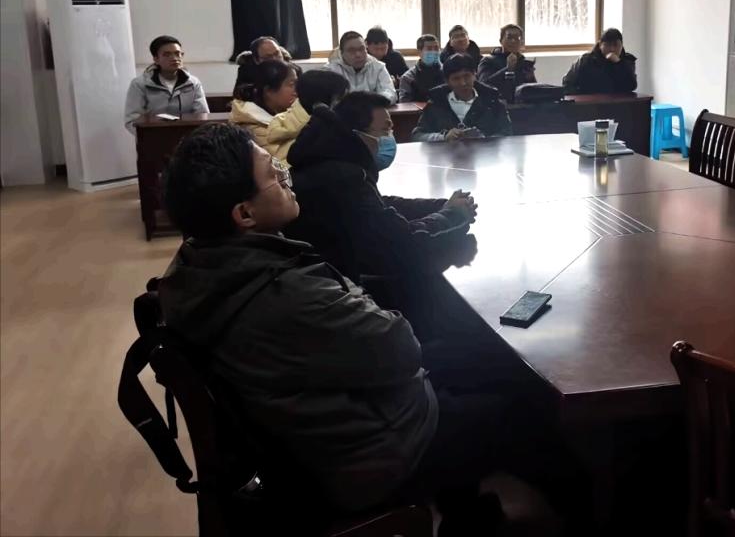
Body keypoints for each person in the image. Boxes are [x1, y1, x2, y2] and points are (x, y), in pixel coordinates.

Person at [158, 124, 592, 535]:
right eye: (272, 174)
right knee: (520, 408)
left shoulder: (201, 267)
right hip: (372, 457)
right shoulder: (284, 294)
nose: (285, 174)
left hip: (320, 428)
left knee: (476, 354)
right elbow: (400, 349)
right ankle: (589, 512)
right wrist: (362, 300)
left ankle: (467, 514)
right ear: (244, 213)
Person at [286, 91, 478, 288]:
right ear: (356, 134)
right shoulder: (342, 178)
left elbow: (379, 206)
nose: (389, 138)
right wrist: (452, 214)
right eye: (385, 130)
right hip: (337, 287)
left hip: (330, 275)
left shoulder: (329, 163)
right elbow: (403, 244)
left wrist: (440, 206)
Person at [412, 55, 512, 142]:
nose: (463, 83)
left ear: (475, 74)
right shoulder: (436, 103)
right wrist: (444, 137)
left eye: (467, 76)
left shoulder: (492, 101)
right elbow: (417, 135)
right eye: (456, 78)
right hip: (446, 155)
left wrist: (484, 139)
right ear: (447, 81)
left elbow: (507, 133)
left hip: (484, 155)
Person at [124, 35, 208, 134]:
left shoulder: (193, 83)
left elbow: (202, 115)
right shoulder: (140, 84)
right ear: (156, 59)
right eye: (167, 55)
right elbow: (132, 120)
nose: (174, 58)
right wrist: (149, 137)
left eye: (178, 54)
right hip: (154, 138)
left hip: (189, 137)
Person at [265, 68, 349, 166]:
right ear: (324, 102)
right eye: (340, 99)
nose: (345, 104)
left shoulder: (282, 121)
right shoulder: (322, 130)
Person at [229, 60, 300, 149]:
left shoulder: (285, 111)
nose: (297, 91)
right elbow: (284, 156)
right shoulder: (253, 127)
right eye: (291, 85)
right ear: (268, 91)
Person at [327, 31, 397, 104]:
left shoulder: (378, 67)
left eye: (361, 49)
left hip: (371, 109)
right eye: (351, 50)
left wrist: (370, 101)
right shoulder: (330, 71)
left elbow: (390, 93)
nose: (358, 54)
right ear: (342, 53)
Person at [562, 28, 638, 95]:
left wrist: (619, 64)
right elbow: (567, 83)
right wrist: (583, 95)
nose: (612, 49)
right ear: (600, 45)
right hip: (590, 103)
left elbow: (631, 86)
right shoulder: (585, 60)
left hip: (619, 104)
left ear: (621, 46)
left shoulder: (627, 60)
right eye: (608, 45)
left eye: (616, 45)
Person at [476, 24, 536, 97]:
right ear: (501, 41)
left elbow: (533, 91)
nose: (513, 41)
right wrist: (508, 69)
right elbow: (484, 84)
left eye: (517, 38)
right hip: (497, 101)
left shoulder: (523, 63)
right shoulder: (488, 61)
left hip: (521, 102)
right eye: (509, 37)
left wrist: (531, 78)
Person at [398, 34, 445, 102]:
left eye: (436, 48)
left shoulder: (448, 72)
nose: (434, 51)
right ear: (419, 52)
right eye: (429, 49)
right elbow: (404, 103)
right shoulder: (408, 78)